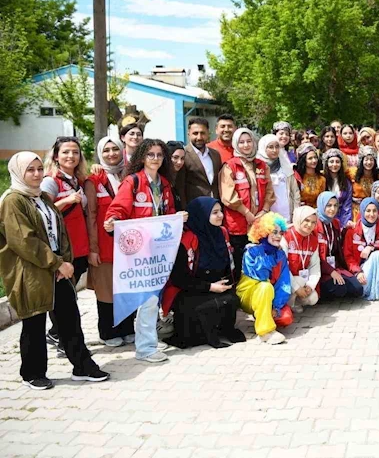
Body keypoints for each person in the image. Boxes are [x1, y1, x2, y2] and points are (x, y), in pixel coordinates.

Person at [0, 152, 109, 390]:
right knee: (34, 322)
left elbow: (59, 232)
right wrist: (57, 263)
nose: (37, 174)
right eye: (30, 170)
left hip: (56, 268)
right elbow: (24, 241)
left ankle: (82, 366)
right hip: (31, 272)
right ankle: (32, 372)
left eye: (40, 169)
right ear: (19, 172)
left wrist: (64, 263)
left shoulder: (41, 198)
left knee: (70, 319)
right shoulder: (13, 201)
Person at [104, 139, 183, 363]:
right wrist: (113, 221)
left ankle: (148, 340)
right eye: (150, 155)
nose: (155, 159)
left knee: (154, 298)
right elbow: (118, 208)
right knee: (148, 300)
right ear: (141, 157)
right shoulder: (133, 182)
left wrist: (178, 218)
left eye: (159, 155)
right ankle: (145, 348)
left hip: (160, 251)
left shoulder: (165, 184)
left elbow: (168, 213)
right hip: (140, 252)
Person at [162, 198, 244, 349]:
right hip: (189, 290)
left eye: (221, 211)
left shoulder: (221, 233)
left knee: (230, 299)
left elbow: (229, 266)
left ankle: (222, 329)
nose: (221, 216)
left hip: (215, 285)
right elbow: (179, 279)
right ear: (202, 215)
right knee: (202, 306)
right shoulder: (186, 240)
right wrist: (209, 287)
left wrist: (225, 284)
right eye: (215, 213)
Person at [41, 136, 90, 348]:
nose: (71, 156)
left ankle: (55, 332)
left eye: (75, 152)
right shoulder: (50, 181)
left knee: (68, 294)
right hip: (62, 249)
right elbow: (42, 213)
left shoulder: (77, 180)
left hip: (79, 247)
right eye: (66, 152)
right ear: (56, 156)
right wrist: (67, 200)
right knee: (64, 297)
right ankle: (64, 339)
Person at [85, 136, 135, 346]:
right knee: (106, 290)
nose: (111, 154)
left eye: (115, 149)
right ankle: (108, 332)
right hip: (104, 246)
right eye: (106, 150)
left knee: (127, 287)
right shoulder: (93, 180)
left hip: (129, 245)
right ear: (99, 153)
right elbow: (91, 216)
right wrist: (93, 249)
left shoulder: (131, 175)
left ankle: (127, 328)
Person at [220, 128, 275, 282]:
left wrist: (264, 211)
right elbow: (228, 195)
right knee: (239, 263)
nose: (246, 145)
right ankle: (240, 299)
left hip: (259, 222)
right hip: (238, 225)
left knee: (259, 262)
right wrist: (246, 213)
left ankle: (257, 297)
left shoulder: (262, 165)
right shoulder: (230, 166)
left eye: (249, 141)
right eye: (241, 142)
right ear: (236, 144)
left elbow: (270, 191)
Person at [237, 213, 293, 345]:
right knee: (265, 286)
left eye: (281, 232)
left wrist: (276, 306)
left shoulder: (280, 254)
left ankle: (263, 315)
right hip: (248, 295)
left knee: (285, 318)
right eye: (274, 232)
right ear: (263, 232)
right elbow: (260, 275)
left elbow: (284, 282)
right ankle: (265, 332)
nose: (278, 236)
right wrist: (269, 254)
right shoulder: (252, 251)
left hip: (268, 296)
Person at [315, 192, 363, 300]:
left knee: (357, 289)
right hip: (321, 269)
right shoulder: (314, 224)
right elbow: (315, 257)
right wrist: (330, 271)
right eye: (329, 205)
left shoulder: (335, 222)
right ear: (322, 205)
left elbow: (337, 245)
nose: (332, 209)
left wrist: (345, 230)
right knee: (340, 289)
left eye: (335, 205)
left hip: (334, 266)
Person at [343, 198, 379, 301]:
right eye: (368, 211)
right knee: (358, 288)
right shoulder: (352, 231)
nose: (372, 214)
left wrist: (372, 247)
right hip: (359, 268)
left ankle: (376, 292)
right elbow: (348, 256)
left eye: (374, 211)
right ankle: (366, 289)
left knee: (377, 255)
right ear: (362, 211)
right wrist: (358, 272)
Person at [282, 206, 321, 313]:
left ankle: (294, 304)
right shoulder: (286, 235)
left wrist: (310, 285)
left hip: (302, 280)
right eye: (307, 220)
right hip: (283, 279)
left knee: (313, 298)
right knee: (299, 281)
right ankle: (284, 306)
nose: (310, 225)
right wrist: (296, 287)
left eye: (313, 222)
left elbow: (315, 266)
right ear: (298, 218)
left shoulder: (313, 240)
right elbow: (282, 266)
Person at [177, 117, 222, 204]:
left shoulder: (215, 155)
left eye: (202, 133)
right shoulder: (183, 155)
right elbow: (180, 187)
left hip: (215, 207)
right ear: (188, 134)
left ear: (208, 134)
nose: (199, 137)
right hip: (195, 208)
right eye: (195, 133)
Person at [258, 134, 300, 221]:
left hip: (287, 213)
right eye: (270, 147)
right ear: (263, 148)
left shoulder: (285, 166)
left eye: (277, 147)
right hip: (267, 215)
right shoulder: (258, 168)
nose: (274, 150)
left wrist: (296, 211)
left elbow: (295, 191)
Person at [348, 146, 379, 220]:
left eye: (371, 160)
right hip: (355, 210)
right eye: (366, 160)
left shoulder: (378, 176)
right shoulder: (352, 173)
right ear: (362, 161)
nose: (369, 162)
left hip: (371, 209)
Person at [322, 148, 354, 227]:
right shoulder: (322, 180)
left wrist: (346, 221)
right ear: (326, 163)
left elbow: (347, 204)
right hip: (324, 217)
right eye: (331, 162)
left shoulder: (346, 182)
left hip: (341, 217)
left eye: (337, 162)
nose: (334, 164)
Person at [295, 143, 326, 207]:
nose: (314, 160)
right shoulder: (297, 178)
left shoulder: (321, 179)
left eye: (315, 157)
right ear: (304, 160)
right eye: (310, 158)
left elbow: (321, 200)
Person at [166, 141, 187, 211]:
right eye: (175, 157)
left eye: (182, 158)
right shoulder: (160, 178)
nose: (179, 162)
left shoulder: (182, 177)